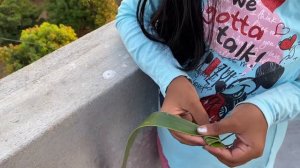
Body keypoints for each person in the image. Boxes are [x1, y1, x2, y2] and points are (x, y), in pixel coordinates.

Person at [116, 0, 300, 167]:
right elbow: (130, 14)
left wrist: (266, 109)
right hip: (174, 152)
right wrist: (171, 78)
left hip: (250, 160)